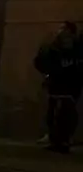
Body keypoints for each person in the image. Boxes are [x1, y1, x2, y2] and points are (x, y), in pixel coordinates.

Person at [35, 21, 83, 154]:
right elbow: (42, 61)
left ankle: (63, 140)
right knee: (54, 113)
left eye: (64, 29)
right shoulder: (55, 47)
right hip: (58, 84)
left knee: (65, 114)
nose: (61, 31)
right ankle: (55, 139)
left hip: (69, 85)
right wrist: (48, 72)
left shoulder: (77, 48)